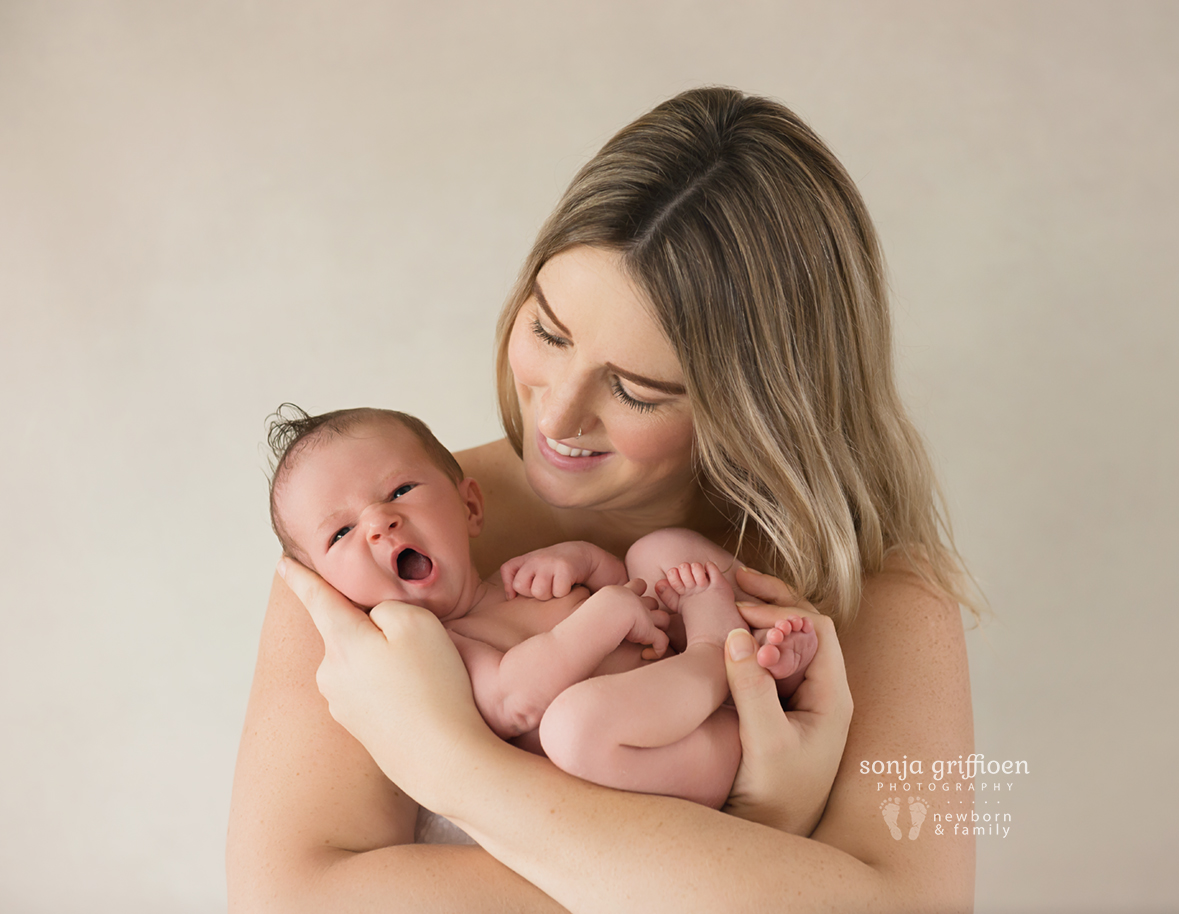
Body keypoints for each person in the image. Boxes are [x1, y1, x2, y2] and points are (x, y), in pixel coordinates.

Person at [228, 86, 976, 912]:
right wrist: (759, 851)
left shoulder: (889, 600)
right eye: (549, 333)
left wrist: (452, 765)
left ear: (762, 409)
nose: (556, 415)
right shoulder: (359, 544)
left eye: (636, 389)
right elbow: (288, 899)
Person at [265, 404, 817, 809]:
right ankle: (719, 658)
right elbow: (515, 701)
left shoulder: (519, 578)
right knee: (572, 729)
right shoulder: (440, 649)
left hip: (674, 673)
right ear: (334, 593)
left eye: (400, 490)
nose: (379, 522)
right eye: (340, 533)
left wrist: (583, 562)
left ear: (470, 507)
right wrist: (603, 616)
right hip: (687, 752)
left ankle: (768, 666)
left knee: (659, 551)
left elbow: (625, 587)